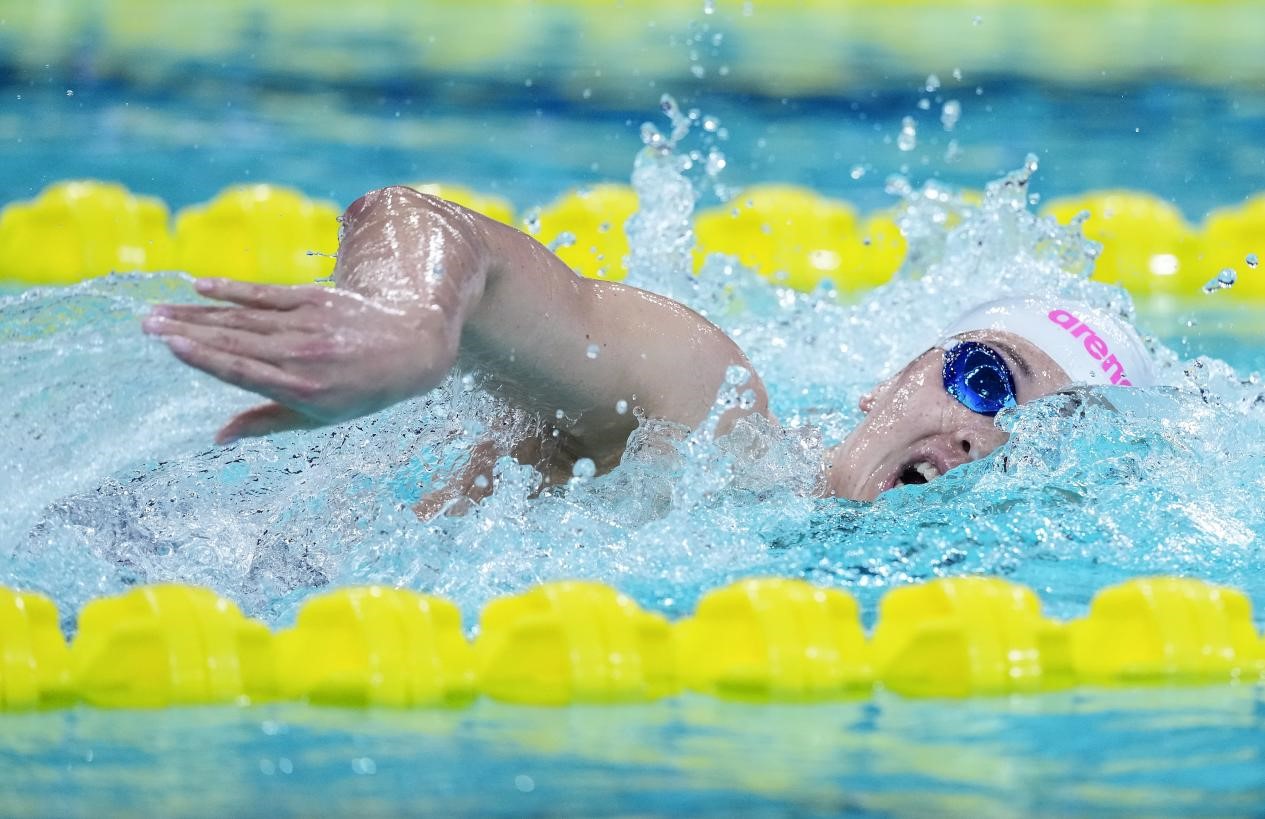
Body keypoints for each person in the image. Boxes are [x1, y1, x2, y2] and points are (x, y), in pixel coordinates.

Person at [140, 185, 1155, 512]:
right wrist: (406, 326)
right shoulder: (706, 419)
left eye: (1052, 436)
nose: (987, 435)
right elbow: (425, 222)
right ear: (892, 379)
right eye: (984, 378)